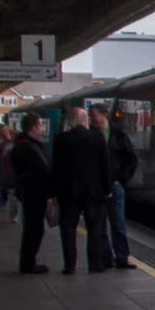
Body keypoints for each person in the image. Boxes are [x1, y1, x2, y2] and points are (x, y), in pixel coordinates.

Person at [49, 106, 113, 274]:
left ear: (70, 122)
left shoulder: (61, 139)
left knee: (68, 229)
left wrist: (54, 193)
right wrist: (107, 189)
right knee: (95, 229)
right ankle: (94, 264)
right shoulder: (97, 137)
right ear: (85, 120)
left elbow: (55, 168)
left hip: (68, 192)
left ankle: (69, 265)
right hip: (94, 192)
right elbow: (105, 166)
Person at [9, 117, 53, 274]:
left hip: (30, 191)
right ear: (33, 127)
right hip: (35, 192)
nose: (41, 129)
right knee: (34, 229)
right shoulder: (28, 147)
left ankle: (28, 262)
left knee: (33, 228)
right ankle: (27, 264)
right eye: (40, 126)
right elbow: (42, 169)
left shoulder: (21, 145)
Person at [106, 111, 138, 269]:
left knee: (117, 221)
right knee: (99, 224)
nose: (91, 119)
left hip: (114, 185)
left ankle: (121, 256)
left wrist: (121, 179)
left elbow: (131, 158)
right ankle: (105, 256)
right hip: (97, 186)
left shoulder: (118, 135)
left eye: (93, 115)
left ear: (104, 115)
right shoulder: (91, 134)